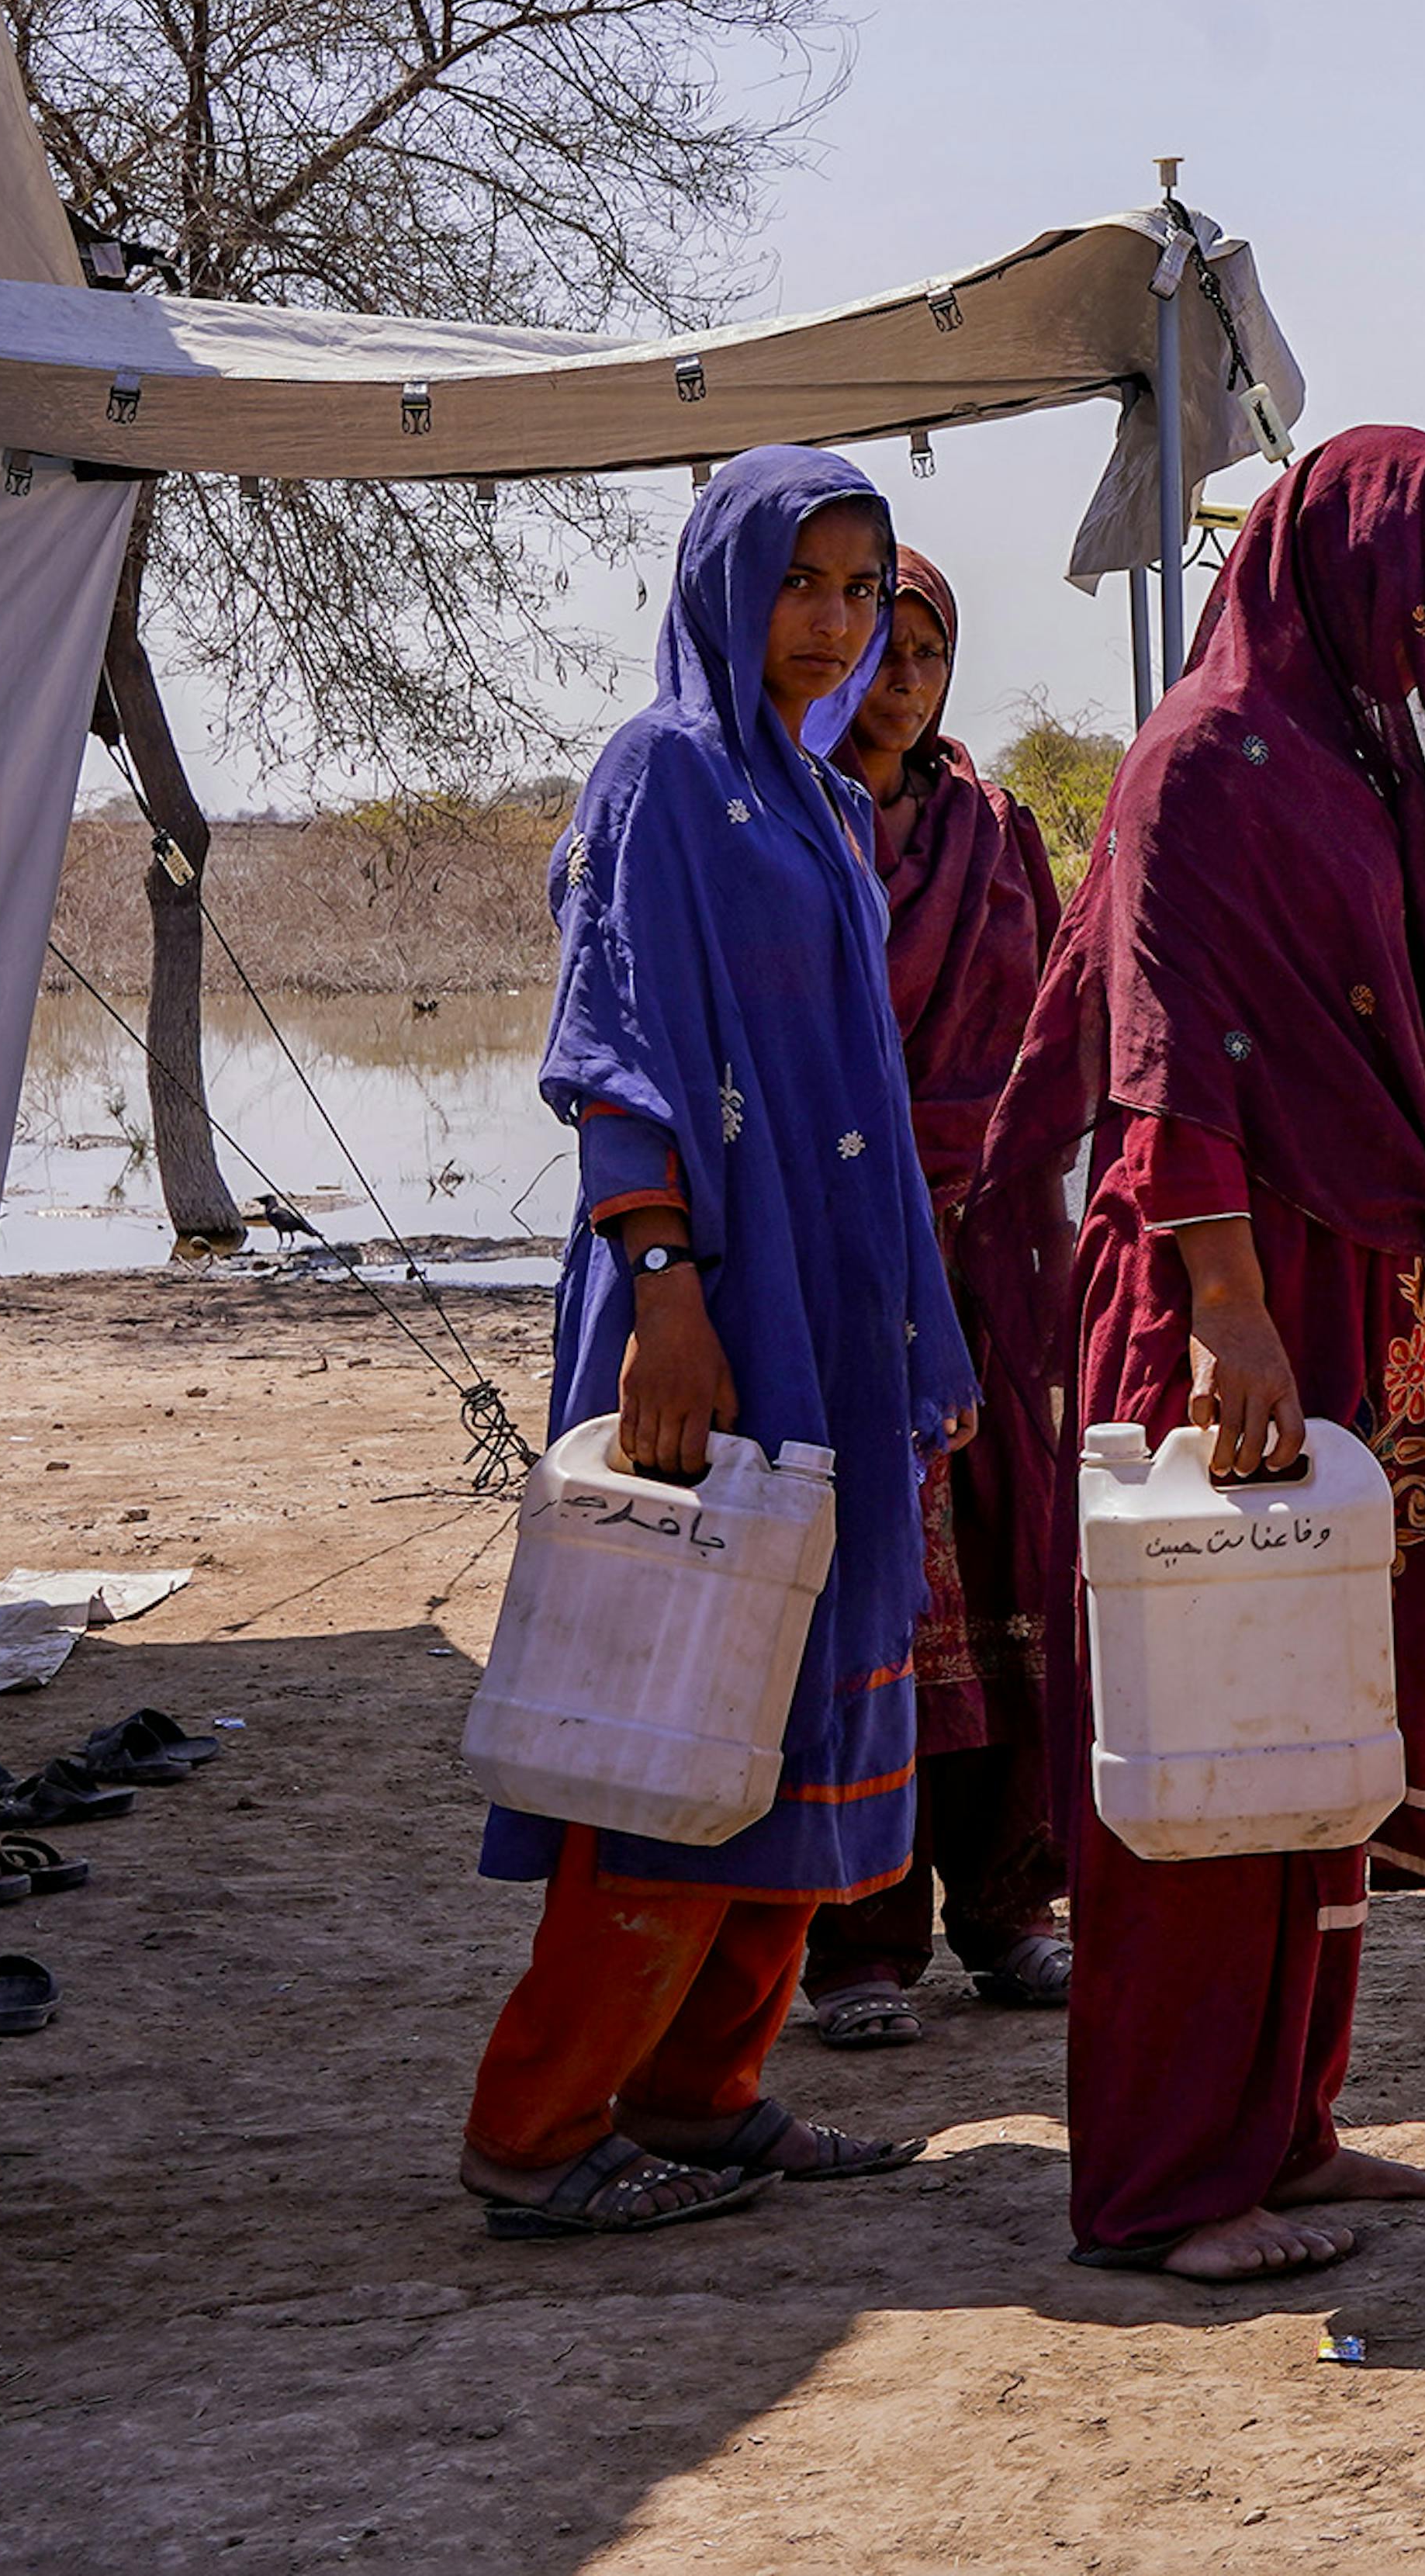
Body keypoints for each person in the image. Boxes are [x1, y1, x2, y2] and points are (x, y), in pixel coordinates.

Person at [981, 428, 1425, 2283]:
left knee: (1305, 1701)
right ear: (1351, 568)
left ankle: (1286, 2123)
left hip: (1331, 1283)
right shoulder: (1204, 758)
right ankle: (1158, 2177)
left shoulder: (1346, 761)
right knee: (1200, 1702)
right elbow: (1168, 1046)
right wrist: (1226, 1312)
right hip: (1227, 1288)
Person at [456, 445, 967, 2238]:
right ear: (724, 585)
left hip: (824, 1303)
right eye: (802, 585)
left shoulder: (816, 799)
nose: (832, 627)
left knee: (802, 1693)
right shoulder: (662, 775)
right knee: (682, 1701)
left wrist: (919, 1334)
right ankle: (536, 2126)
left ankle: (705, 2088)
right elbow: (616, 1051)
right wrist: (662, 1287)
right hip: (709, 1295)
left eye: (860, 589)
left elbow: (867, 1095)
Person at [793, 544, 1077, 2045]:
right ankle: (858, 1936)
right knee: (870, 1585)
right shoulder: (783, 817)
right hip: (840, 1244)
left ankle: (1011, 1902)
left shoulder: (990, 831)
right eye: (874, 652)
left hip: (985, 1249)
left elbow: (1049, 1028)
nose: (898, 684)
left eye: (923, 655)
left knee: (1008, 1557)